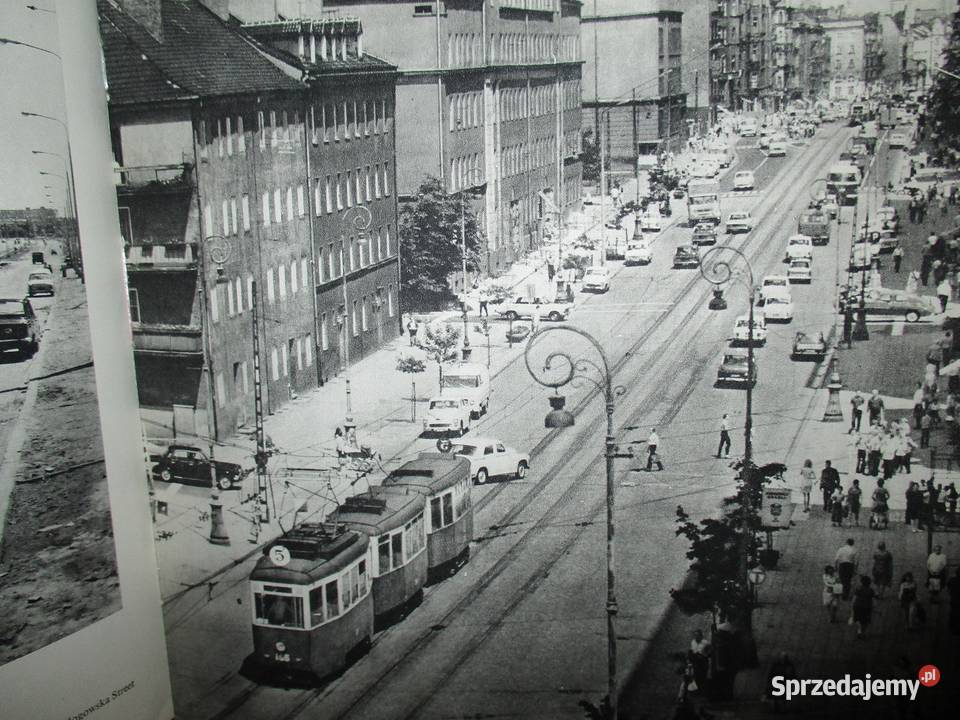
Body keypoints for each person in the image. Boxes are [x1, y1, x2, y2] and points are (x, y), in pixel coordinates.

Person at [947, 567, 960, 635]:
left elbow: (948, 589)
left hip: (954, 600)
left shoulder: (952, 580)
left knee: (953, 613)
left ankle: (952, 627)